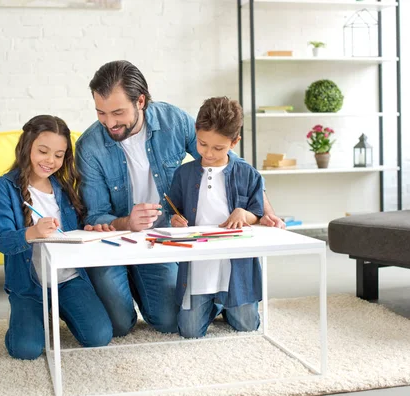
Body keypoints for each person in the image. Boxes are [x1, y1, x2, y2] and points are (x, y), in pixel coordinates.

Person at [75, 60, 284, 337]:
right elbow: (95, 215)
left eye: (117, 112)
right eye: (101, 113)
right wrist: (127, 222)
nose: (109, 122)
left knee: (171, 322)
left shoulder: (173, 121)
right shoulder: (90, 146)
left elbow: (231, 164)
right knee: (120, 326)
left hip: (159, 238)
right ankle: (127, 285)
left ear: (140, 101)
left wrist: (265, 211)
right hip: (116, 242)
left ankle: (212, 296)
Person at [0, 115, 113, 360]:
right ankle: (29, 318)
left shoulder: (64, 186)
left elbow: (75, 229)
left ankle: (56, 310)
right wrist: (33, 232)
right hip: (29, 285)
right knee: (26, 349)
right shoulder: (4, 187)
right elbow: (3, 241)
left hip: (68, 279)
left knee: (99, 336)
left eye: (59, 155)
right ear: (27, 147)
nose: (50, 161)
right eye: (43, 151)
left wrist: (89, 230)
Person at [168, 97, 263, 337]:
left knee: (247, 325)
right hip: (198, 263)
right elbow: (173, 208)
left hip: (235, 262)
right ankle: (213, 303)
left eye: (218, 148)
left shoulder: (248, 174)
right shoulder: (184, 173)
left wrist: (245, 214)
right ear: (196, 134)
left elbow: (258, 212)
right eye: (202, 144)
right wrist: (174, 219)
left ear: (235, 142)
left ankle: (224, 302)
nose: (208, 153)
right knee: (189, 331)